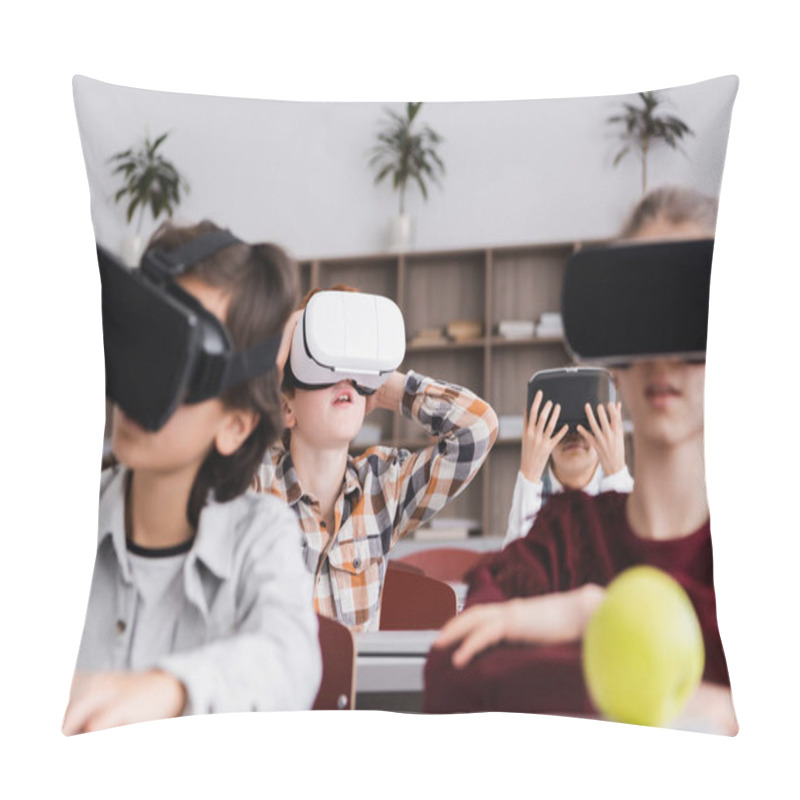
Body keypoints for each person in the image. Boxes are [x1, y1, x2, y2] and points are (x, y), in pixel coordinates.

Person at [424, 186, 737, 735]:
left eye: (689, 312)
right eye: (642, 313)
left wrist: (603, 618)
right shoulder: (566, 534)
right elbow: (455, 669)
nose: (662, 355)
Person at [63, 221, 322, 735]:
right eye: (145, 341)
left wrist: (169, 688)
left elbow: (291, 659)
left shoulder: (260, 536)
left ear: (234, 425)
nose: (145, 380)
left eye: (179, 360)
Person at [258, 286, 499, 632]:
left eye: (355, 371)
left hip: (356, 688)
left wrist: (387, 385)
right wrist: (283, 348)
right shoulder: (255, 484)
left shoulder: (382, 488)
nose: (343, 378)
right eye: (322, 365)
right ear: (286, 407)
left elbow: (478, 429)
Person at [504, 384, 633, 546]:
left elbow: (638, 562)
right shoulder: (530, 498)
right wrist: (529, 475)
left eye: (585, 422)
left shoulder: (629, 493)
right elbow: (515, 568)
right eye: (560, 424)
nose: (573, 434)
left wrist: (616, 472)